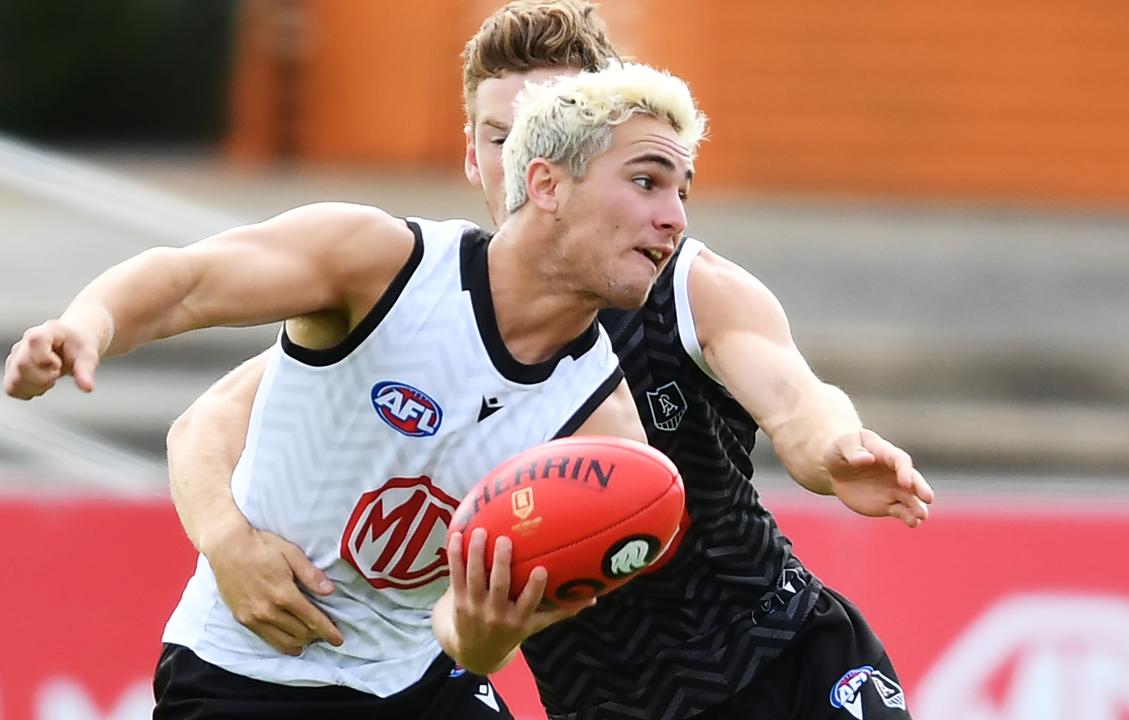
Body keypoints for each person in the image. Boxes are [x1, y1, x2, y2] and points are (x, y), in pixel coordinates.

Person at [163, 2, 935, 719]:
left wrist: (836, 450)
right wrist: (228, 543)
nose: (526, 155)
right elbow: (209, 423)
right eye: (503, 136)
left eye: (558, 125)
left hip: (781, 665)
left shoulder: (691, 288)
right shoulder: (422, 298)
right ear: (474, 155)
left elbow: (799, 404)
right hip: (597, 702)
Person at [3, 59, 707, 719]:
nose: (674, 216)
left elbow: (463, 634)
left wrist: (485, 633)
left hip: (418, 684)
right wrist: (86, 325)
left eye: (683, 190)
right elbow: (186, 286)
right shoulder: (380, 265)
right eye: (648, 182)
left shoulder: (606, 434)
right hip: (238, 675)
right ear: (549, 185)